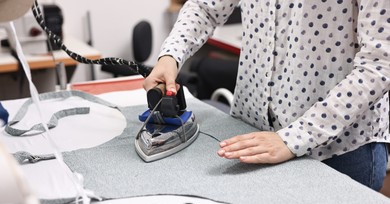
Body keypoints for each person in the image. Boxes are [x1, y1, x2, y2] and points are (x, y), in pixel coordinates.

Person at [143, 0, 390, 191]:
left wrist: (295, 138)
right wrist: (171, 55)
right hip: (253, 134)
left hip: (337, 149)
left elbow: (380, 63)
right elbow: (205, 8)